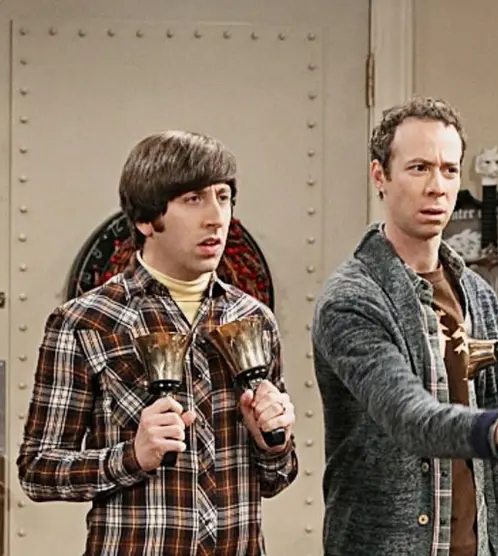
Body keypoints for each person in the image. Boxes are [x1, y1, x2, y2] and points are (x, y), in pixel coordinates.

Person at [17, 130, 298, 555]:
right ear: (147, 220)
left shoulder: (254, 319)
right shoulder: (85, 322)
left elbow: (276, 478)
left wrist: (273, 442)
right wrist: (132, 456)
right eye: (194, 199)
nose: (216, 217)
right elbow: (37, 470)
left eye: (223, 197)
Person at [311, 97, 498, 556]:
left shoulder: (476, 293)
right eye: (419, 168)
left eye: (449, 170)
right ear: (379, 176)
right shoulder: (351, 299)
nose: (437, 187)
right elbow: (408, 418)